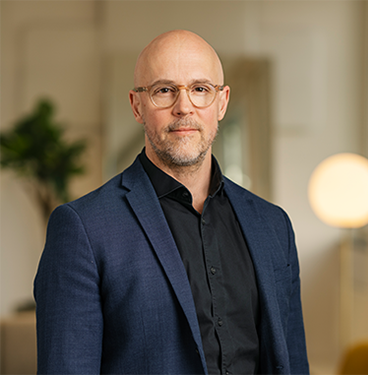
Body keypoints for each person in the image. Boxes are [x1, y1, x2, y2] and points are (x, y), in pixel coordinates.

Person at [34, 30, 309, 375]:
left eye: (199, 89)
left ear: (221, 102)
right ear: (137, 106)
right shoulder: (83, 228)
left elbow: (292, 361)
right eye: (164, 90)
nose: (184, 107)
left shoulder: (274, 225)